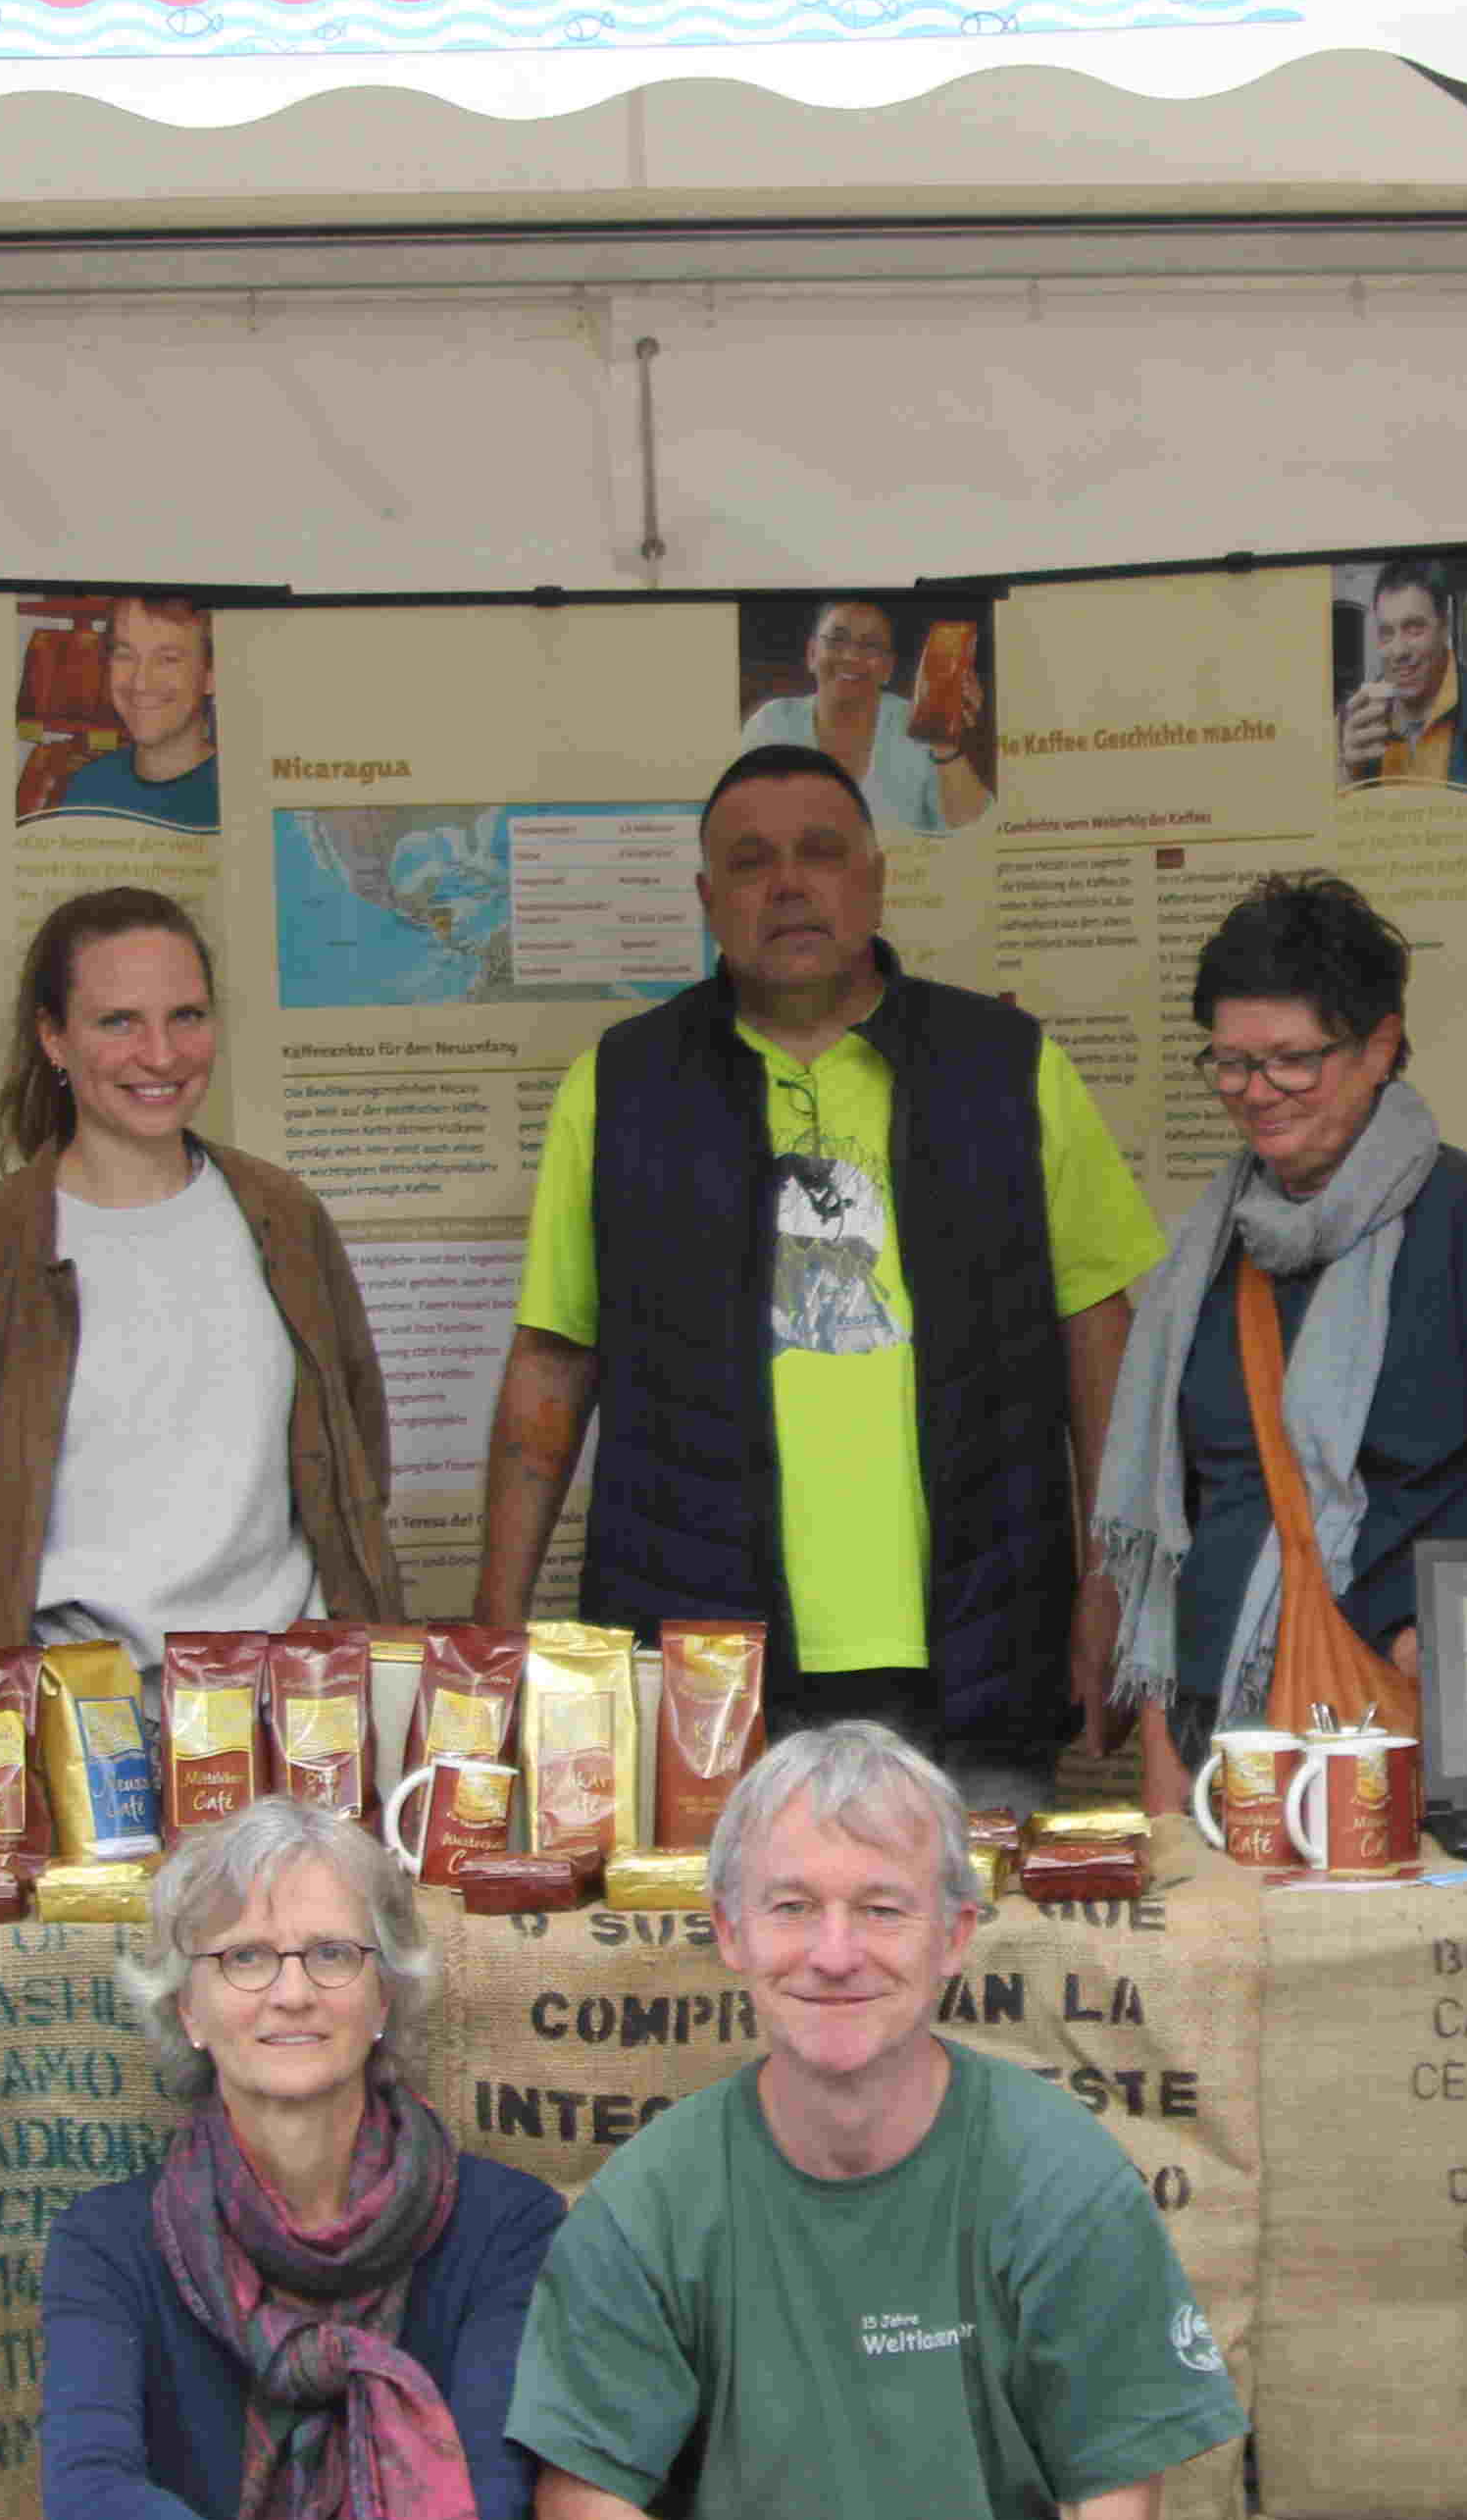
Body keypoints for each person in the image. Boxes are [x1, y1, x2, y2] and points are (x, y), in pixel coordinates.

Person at [513, 1725, 1389, 2520]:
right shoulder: (656, 2195)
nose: (834, 1951)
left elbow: (1116, 2515)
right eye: (793, 1907)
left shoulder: (1054, 2175)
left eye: (882, 1908)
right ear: (728, 1933)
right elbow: (578, 2518)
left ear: (955, 1940)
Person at [474, 748, 1162, 1809]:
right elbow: (554, 1362)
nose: (789, 885)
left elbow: (1099, 1335)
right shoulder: (621, 1089)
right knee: (714, 1964)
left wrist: (1117, 1583)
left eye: (822, 853)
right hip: (700, 1670)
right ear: (707, 901)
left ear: (877, 880)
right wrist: (496, 1624)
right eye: (750, 864)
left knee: (973, 1963)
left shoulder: (1007, 1069)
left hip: (974, 1651)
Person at [41, 1799, 564, 2520]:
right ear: (187, 2002)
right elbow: (91, 2509)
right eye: (243, 1958)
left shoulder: (502, 2225)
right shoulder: (109, 2242)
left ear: (386, 1995)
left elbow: (489, 2501)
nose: (291, 1992)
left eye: (333, 1954)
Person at [1093, 872, 1467, 1805]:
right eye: (1230, 1062)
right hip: (1213, 1734)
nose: (1257, 1093)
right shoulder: (1209, 1249)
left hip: (1386, 1733)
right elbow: (1179, 1514)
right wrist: (1164, 1762)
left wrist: (1426, 1624)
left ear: (1380, 1047)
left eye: (1293, 1060)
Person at [0, 889, 401, 1660]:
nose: (163, 1055)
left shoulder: (287, 1219)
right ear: (53, 1038)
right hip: (64, 1713)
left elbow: (356, 1461)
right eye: (119, 1022)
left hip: (285, 1700)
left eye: (187, 1016)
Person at [740, 596, 986, 841]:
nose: (851, 656)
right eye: (837, 640)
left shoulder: (918, 724)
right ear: (812, 654)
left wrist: (945, 742)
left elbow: (974, 834)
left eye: (870, 646)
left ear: (888, 668)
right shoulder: (771, 725)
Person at [1334, 565, 1467, 799]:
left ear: (1444, 627)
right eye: (1387, 633)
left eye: (1414, 629)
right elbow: (1322, 826)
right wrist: (1348, 777)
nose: (1398, 651)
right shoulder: (1349, 724)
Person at [44, 592, 225, 835]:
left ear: (210, 676)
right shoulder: (87, 788)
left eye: (167, 659)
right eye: (125, 654)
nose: (139, 683)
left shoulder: (237, 799)